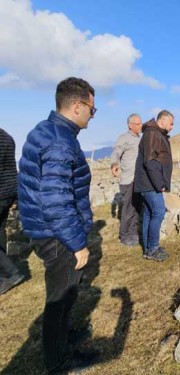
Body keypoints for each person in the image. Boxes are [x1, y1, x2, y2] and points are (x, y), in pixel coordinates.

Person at [18, 77, 98, 374]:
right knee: (59, 298)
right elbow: (56, 200)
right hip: (57, 235)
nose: (92, 113)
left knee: (66, 292)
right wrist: (77, 244)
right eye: (92, 108)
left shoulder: (46, 130)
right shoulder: (59, 142)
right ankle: (59, 361)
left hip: (45, 230)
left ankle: (63, 337)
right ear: (78, 106)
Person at [134, 110, 174, 262]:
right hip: (150, 184)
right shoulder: (153, 134)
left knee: (149, 214)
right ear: (162, 121)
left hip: (148, 183)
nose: (172, 127)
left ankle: (148, 249)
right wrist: (160, 184)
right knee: (158, 212)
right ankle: (153, 248)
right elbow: (150, 161)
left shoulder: (154, 133)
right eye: (171, 123)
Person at [110, 113, 142, 246]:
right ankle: (124, 236)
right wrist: (114, 164)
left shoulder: (140, 139)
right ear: (130, 125)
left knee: (136, 208)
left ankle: (133, 233)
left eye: (141, 123)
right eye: (138, 124)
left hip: (139, 180)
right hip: (127, 180)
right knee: (128, 209)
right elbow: (116, 152)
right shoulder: (123, 138)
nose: (141, 126)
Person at [0, 128, 25, 296]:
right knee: (0, 230)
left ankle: (12, 273)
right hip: (8, 192)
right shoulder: (6, 136)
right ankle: (3, 276)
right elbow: (11, 169)